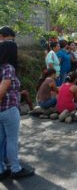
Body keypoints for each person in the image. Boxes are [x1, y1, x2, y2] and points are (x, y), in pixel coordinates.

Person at [0, 41, 35, 179]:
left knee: (1, 140)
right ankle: (15, 169)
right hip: (8, 109)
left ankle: (1, 169)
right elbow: (2, 91)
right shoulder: (8, 68)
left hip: (2, 111)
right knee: (11, 140)